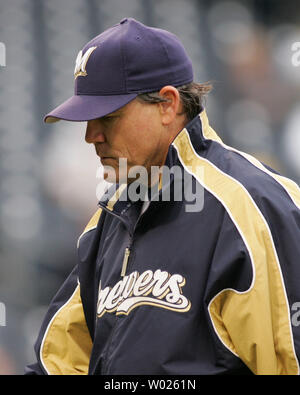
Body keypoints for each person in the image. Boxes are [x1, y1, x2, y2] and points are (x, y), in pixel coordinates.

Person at [25, 17, 300, 375]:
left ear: (168, 105)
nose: (91, 136)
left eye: (107, 117)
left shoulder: (253, 207)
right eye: (87, 121)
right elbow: (61, 363)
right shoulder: (108, 220)